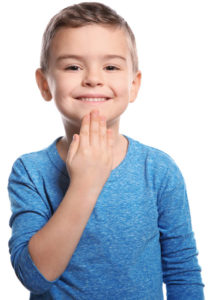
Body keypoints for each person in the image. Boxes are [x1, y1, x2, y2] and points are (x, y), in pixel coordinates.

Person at [7, 2, 205, 299]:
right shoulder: (30, 172)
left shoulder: (159, 170)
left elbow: (182, 271)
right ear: (44, 84)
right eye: (73, 66)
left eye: (111, 67)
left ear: (134, 84)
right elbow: (35, 277)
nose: (93, 79)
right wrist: (86, 182)